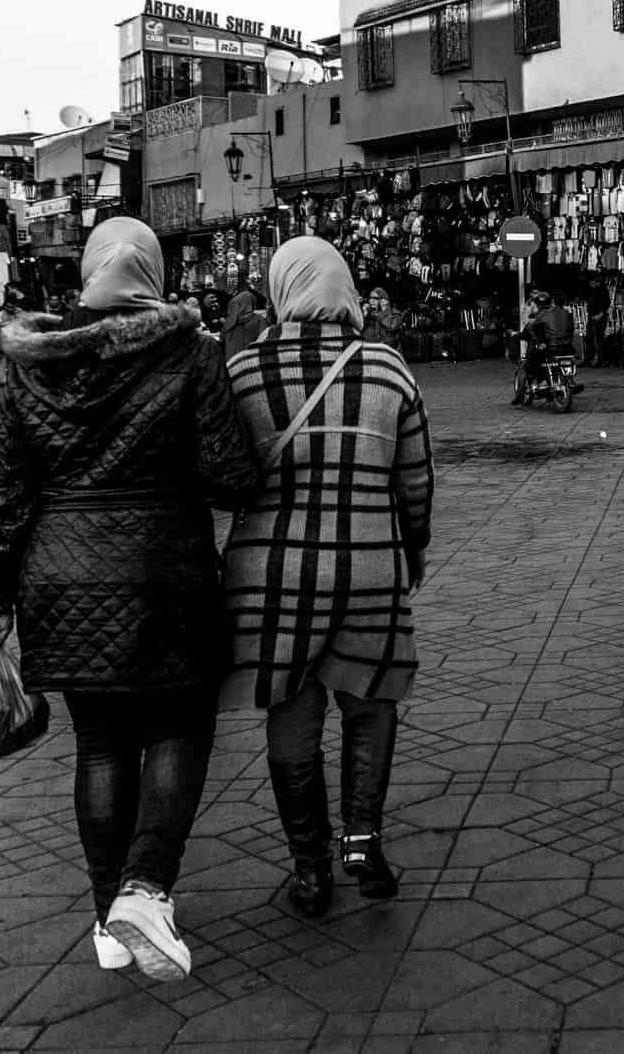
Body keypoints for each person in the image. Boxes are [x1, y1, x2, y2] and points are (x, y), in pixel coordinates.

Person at [0, 217, 259, 981]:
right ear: (153, 272)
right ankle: (145, 886)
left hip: (60, 578)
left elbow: (7, 494)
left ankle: (108, 917)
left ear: (92, 272)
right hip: (165, 571)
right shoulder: (191, 351)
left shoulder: (35, 362)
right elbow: (232, 476)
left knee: (99, 741)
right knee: (176, 725)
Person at [222, 238, 434, 920]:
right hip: (369, 560)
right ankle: (365, 845)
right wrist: (413, 550)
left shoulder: (244, 372)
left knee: (293, 711)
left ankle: (309, 866)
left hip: (273, 572)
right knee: (371, 701)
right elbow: (417, 480)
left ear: (282, 289)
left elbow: (225, 479)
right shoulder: (388, 369)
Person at [518, 290, 576, 396]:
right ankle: (568, 379)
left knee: (532, 357)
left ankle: (541, 380)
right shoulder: (568, 314)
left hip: (552, 347)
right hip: (567, 347)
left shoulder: (545, 314)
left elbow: (530, 327)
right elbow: (572, 329)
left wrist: (539, 342)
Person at [222, 287, 270, 359]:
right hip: (250, 363)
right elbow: (266, 341)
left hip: (231, 364)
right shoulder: (258, 320)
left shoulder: (228, 322)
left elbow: (222, 341)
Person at [585, 282, 611, 367]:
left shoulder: (602, 290)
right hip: (592, 315)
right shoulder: (592, 290)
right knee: (590, 336)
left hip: (599, 316)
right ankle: (591, 358)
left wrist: (600, 314)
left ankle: (600, 359)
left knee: (599, 338)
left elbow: (606, 303)